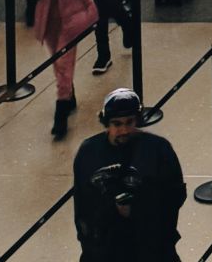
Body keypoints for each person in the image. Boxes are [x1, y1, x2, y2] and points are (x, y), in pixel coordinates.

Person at [72, 89, 187, 262]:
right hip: (106, 249)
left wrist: (138, 210)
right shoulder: (88, 153)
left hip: (150, 247)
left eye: (129, 122)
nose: (124, 130)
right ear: (107, 123)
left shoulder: (158, 150)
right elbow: (82, 205)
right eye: (117, 124)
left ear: (137, 120)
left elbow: (174, 197)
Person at [21, 0, 98, 138]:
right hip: (48, 20)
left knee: (64, 63)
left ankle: (61, 114)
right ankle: (69, 94)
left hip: (73, 19)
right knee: (58, 63)